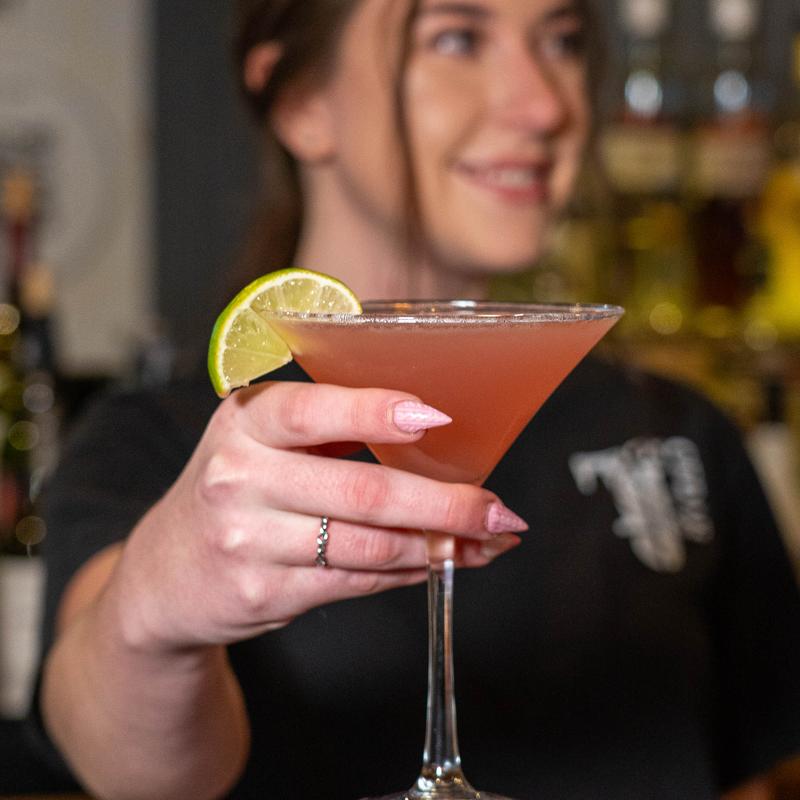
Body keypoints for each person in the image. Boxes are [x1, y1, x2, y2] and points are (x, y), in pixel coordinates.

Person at [23, 0, 800, 798]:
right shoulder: (158, 441)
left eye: (563, 41)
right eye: (456, 38)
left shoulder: (682, 427)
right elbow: (127, 770)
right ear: (302, 104)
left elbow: (761, 773)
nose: (546, 105)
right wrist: (152, 613)